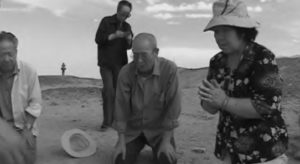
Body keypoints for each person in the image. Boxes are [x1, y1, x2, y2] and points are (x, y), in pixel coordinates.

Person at [198, 0, 288, 164]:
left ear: (242, 31)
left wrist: (224, 101)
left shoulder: (262, 57)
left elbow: (268, 107)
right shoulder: (217, 61)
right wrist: (210, 101)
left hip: (263, 153)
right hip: (229, 151)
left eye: (224, 30)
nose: (218, 37)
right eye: (215, 32)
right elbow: (209, 107)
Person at [112, 33, 181, 164]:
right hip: (133, 130)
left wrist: (166, 141)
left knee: (167, 161)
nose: (139, 61)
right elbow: (121, 107)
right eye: (135, 55)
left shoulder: (169, 69)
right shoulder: (126, 72)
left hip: (159, 131)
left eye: (143, 55)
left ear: (156, 52)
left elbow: (173, 106)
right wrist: (121, 141)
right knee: (120, 161)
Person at [0, 31, 42, 163]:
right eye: (1, 54)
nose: (6, 59)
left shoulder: (29, 71)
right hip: (2, 129)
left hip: (25, 126)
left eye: (9, 54)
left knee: (26, 158)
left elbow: (35, 103)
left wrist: (27, 129)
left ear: (16, 52)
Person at [95, 0, 133, 131]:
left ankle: (117, 120)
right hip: (106, 63)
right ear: (117, 10)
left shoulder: (127, 26)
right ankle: (107, 122)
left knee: (118, 92)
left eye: (128, 14)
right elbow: (98, 39)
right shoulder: (106, 21)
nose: (125, 16)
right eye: (123, 13)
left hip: (120, 64)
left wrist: (129, 40)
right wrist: (113, 36)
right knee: (108, 91)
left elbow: (129, 46)